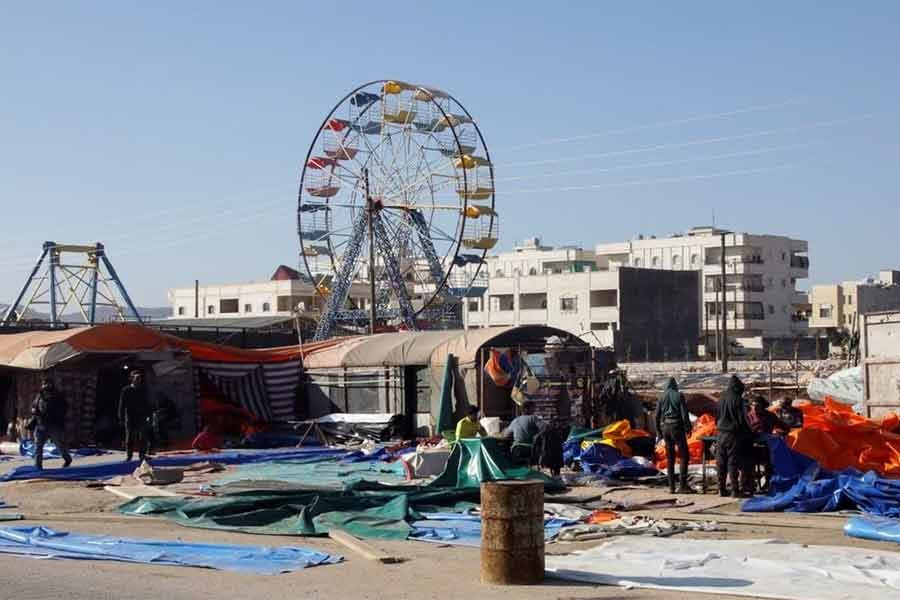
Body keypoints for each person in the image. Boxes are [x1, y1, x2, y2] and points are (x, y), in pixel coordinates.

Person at [716, 375, 753, 497]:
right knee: (733, 462)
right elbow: (743, 420)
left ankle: (721, 489)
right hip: (733, 435)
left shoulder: (721, 399)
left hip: (720, 434)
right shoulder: (738, 400)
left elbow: (716, 418)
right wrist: (749, 431)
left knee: (721, 462)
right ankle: (734, 490)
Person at [655, 377, 693, 494]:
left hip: (666, 427)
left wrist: (659, 432)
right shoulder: (679, 395)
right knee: (684, 455)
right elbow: (684, 414)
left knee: (670, 458)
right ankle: (683, 485)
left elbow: (656, 416)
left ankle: (671, 487)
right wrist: (688, 428)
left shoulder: (661, 397)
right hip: (677, 427)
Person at [747, 396, 789, 491]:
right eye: (752, 405)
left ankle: (768, 482)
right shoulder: (748, 416)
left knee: (769, 462)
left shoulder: (770, 416)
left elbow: (783, 426)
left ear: (762, 406)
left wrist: (782, 432)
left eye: (757, 406)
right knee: (748, 463)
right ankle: (749, 483)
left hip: (766, 446)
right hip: (750, 446)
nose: (754, 408)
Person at [30, 377, 72, 470]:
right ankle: (38, 467)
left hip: (54, 426)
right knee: (38, 447)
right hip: (41, 425)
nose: (45, 386)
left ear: (52, 384)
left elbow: (65, 408)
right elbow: (34, 406)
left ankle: (67, 459)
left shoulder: (58, 396)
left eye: (47, 384)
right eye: (44, 384)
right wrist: (33, 411)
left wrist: (57, 415)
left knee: (60, 446)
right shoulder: (39, 396)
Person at [118, 370, 152, 462]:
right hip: (130, 416)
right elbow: (122, 404)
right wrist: (120, 417)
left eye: (139, 378)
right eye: (136, 378)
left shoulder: (143, 390)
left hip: (141, 416)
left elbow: (146, 403)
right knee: (129, 437)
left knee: (142, 437)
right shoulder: (126, 390)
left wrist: (149, 415)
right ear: (132, 379)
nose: (138, 380)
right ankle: (129, 455)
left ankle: (142, 455)